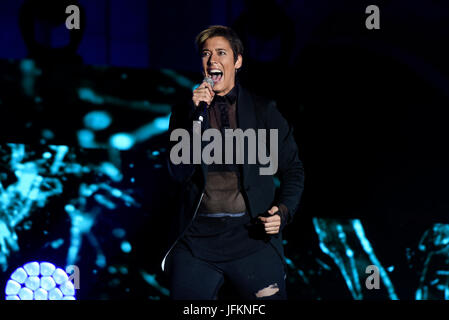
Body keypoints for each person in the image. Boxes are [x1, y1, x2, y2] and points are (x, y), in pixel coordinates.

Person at [163, 25, 304, 300]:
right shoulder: (185, 112)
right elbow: (178, 173)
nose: (212, 60)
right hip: (197, 243)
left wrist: (283, 212)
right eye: (206, 54)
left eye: (221, 53)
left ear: (237, 61)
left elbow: (294, 169)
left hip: (251, 240)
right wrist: (194, 119)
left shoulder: (264, 111)